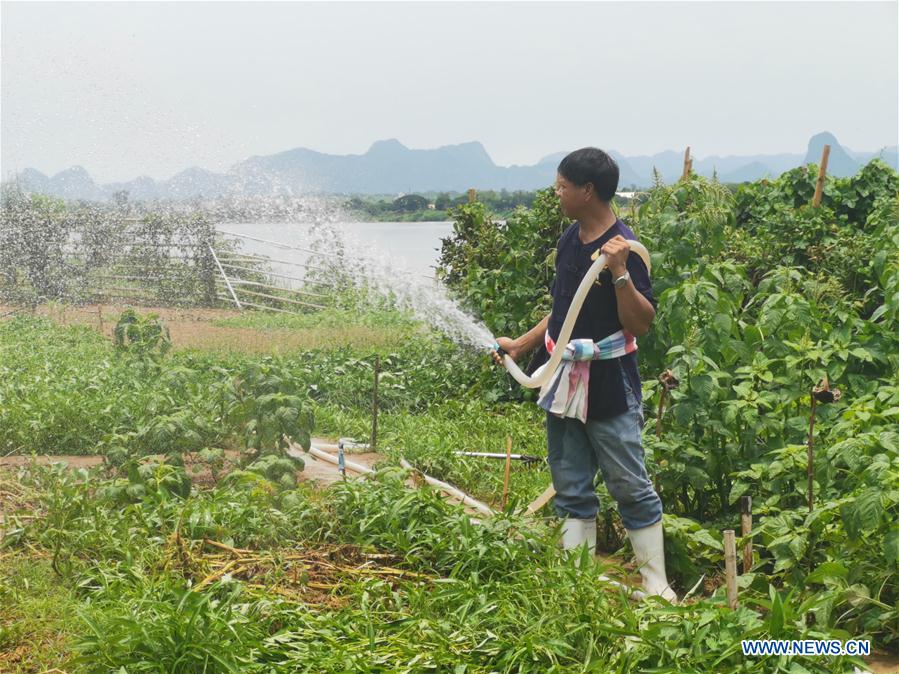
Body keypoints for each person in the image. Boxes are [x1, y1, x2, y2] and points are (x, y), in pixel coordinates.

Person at [491, 147, 676, 601]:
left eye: (562, 187)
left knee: (629, 484)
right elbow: (562, 314)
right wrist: (522, 343)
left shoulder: (623, 248)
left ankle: (657, 585)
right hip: (562, 380)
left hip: (609, 383)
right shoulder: (571, 241)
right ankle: (578, 584)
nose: (557, 194)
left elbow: (640, 325)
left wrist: (618, 274)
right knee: (571, 483)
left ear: (587, 191)